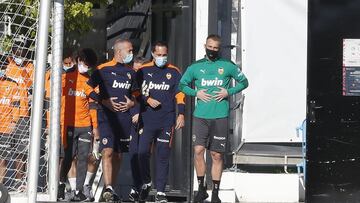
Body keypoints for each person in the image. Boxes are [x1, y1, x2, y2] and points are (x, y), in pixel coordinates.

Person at [179, 34, 248, 203]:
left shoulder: (227, 66)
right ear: (205, 46)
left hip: (220, 117)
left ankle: (215, 193)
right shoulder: (196, 66)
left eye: (215, 48)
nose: (212, 50)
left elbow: (244, 82)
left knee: (216, 155)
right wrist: (196, 92)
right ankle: (201, 189)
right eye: (209, 47)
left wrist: (228, 92)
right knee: (198, 151)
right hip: (200, 116)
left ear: (220, 48)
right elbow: (182, 85)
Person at [86, 39, 139, 202]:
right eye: (129, 51)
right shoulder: (102, 69)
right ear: (119, 52)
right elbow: (87, 88)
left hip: (124, 119)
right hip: (106, 118)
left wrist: (132, 103)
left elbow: (137, 94)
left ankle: (110, 191)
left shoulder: (131, 72)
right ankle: (108, 186)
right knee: (107, 151)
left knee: (118, 155)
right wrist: (103, 100)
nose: (132, 53)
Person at [134, 41, 185, 203]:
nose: (162, 58)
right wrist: (147, 99)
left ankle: (161, 192)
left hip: (166, 120)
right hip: (147, 119)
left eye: (164, 55)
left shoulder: (174, 71)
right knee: (142, 153)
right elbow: (135, 92)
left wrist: (181, 114)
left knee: (163, 155)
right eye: (159, 55)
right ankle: (147, 181)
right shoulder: (143, 70)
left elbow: (180, 94)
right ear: (153, 55)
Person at [57, 48, 98, 201]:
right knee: (67, 157)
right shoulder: (65, 77)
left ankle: (78, 191)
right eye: (83, 63)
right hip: (68, 124)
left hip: (85, 125)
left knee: (83, 158)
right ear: (77, 60)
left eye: (88, 65)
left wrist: (95, 128)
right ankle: (61, 183)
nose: (85, 67)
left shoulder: (91, 81)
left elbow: (94, 104)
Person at [0, 65, 21, 186]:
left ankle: (0, 186)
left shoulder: (12, 85)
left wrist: (13, 122)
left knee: (3, 159)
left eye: (2, 67)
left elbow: (16, 105)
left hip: (5, 127)